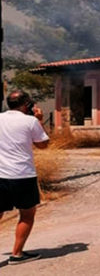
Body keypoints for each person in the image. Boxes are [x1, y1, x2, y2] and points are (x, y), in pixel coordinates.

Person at [0, 90, 50, 265]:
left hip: (0, 175)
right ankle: (17, 254)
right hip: (23, 176)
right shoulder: (30, 121)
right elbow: (43, 145)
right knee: (27, 215)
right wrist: (39, 120)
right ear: (26, 105)